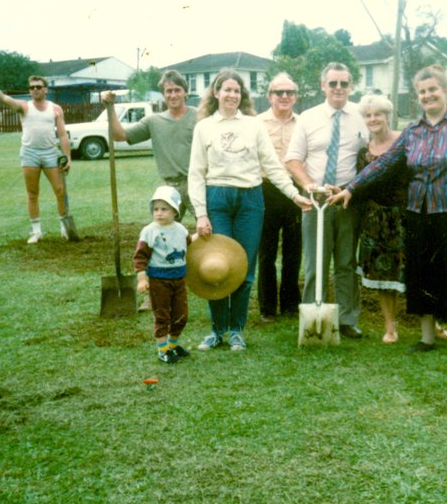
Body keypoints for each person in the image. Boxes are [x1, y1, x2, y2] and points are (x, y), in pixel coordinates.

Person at [328, 65, 447, 353]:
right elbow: (384, 163)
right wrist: (351, 187)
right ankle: (426, 337)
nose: (428, 96)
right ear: (418, 97)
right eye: (422, 92)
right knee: (422, 275)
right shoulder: (413, 130)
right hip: (418, 212)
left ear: (445, 90)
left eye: (433, 90)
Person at [188, 70, 311, 352]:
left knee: (244, 267)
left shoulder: (254, 126)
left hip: (251, 200)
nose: (231, 95)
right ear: (216, 93)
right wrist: (201, 214)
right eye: (226, 90)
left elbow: (272, 165)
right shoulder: (204, 127)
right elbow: (196, 173)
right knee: (216, 266)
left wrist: (294, 195)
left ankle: (236, 331)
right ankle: (217, 330)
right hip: (217, 197)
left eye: (236, 90)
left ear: (242, 95)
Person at [285, 63, 369, 339]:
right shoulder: (308, 118)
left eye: (344, 84)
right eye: (333, 83)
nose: (338, 89)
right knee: (315, 261)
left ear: (351, 86)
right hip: (317, 199)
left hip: (346, 197)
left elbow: (372, 155)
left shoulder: (361, 116)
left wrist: (354, 188)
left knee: (346, 261)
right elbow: (293, 159)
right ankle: (313, 319)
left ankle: (346, 319)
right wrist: (309, 185)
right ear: (323, 85)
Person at [0, 76, 73, 244]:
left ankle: (65, 228)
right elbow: (4, 99)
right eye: (32, 87)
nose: (35, 90)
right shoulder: (24, 107)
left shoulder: (55, 109)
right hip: (30, 154)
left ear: (46, 89)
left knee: (60, 191)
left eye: (38, 87)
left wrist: (68, 157)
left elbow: (63, 135)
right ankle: (36, 231)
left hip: (50, 153)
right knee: (32, 193)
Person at [101, 70, 198, 221]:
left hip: (196, 183)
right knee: (163, 232)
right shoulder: (153, 122)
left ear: (186, 92)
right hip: (169, 187)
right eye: (169, 91)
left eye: (177, 90)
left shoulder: (199, 116)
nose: (173, 95)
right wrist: (110, 107)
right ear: (163, 94)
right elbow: (119, 135)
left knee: (209, 229)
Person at [351, 94, 407, 344]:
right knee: (384, 276)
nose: (373, 119)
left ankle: (434, 324)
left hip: (406, 216)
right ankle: (390, 327)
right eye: (368, 115)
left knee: (417, 271)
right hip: (376, 219)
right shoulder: (363, 152)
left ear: (388, 116)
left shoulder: (405, 141)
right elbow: (360, 185)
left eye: (378, 114)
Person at [256, 73, 303, 322]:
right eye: (279, 92)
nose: (284, 97)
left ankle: (290, 304)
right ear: (269, 96)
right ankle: (267, 308)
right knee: (267, 251)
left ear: (295, 96)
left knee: (294, 250)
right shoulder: (257, 123)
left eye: (289, 92)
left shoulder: (303, 122)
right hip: (266, 189)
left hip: (295, 190)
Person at [133, 186, 192, 364]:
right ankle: (162, 349)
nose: (159, 213)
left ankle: (172, 345)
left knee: (181, 315)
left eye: (164, 209)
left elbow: (188, 244)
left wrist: (201, 236)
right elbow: (140, 257)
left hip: (179, 279)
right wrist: (142, 278)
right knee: (162, 315)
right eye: (156, 209)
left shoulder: (181, 229)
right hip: (159, 280)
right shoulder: (149, 232)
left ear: (175, 211)